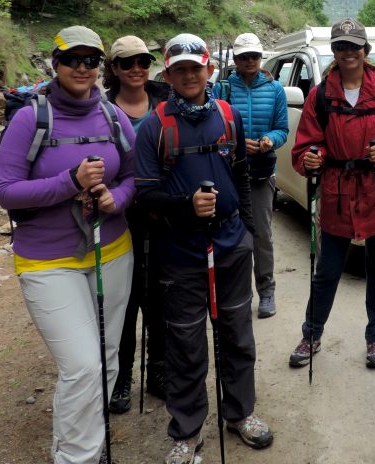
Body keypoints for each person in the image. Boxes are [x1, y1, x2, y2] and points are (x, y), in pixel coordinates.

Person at [0, 25, 136, 464]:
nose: (82, 67)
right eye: (72, 58)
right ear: (54, 63)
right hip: (46, 261)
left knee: (107, 358)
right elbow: (7, 191)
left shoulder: (114, 117)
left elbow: (134, 175)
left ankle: (90, 444)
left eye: (91, 60)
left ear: (100, 67)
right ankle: (76, 458)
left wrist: (118, 198)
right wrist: (68, 182)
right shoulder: (29, 119)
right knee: (81, 366)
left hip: (112, 251)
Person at [134, 33, 272, 464]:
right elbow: (144, 196)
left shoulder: (228, 116)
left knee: (236, 336)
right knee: (186, 343)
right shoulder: (153, 127)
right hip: (180, 252)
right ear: (168, 74)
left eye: (196, 67)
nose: (189, 75)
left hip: (230, 246)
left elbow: (242, 178)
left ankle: (240, 413)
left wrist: (248, 232)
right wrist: (186, 206)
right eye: (180, 69)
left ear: (209, 69)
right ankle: (187, 431)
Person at [289, 17, 375, 370]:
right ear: (333, 51)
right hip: (337, 191)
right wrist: (312, 158)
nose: (348, 52)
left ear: (365, 50)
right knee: (328, 269)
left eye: (354, 46)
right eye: (341, 46)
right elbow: (303, 147)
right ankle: (311, 333)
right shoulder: (320, 95)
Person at [104, 35, 170, 413]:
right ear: (114, 68)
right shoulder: (101, 109)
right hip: (120, 216)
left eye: (143, 61)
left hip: (161, 214)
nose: (136, 69)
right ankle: (121, 374)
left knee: (159, 295)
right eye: (127, 62)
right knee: (124, 300)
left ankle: (158, 368)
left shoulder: (165, 101)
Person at [213, 32, 289, 319]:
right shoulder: (221, 89)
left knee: (262, 235)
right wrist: (234, 142)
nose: (250, 61)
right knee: (228, 234)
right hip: (227, 172)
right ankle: (234, 293)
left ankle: (266, 291)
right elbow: (213, 127)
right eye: (244, 56)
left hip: (260, 172)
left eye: (254, 56)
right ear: (235, 59)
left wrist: (269, 139)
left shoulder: (275, 89)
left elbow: (282, 128)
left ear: (261, 58)